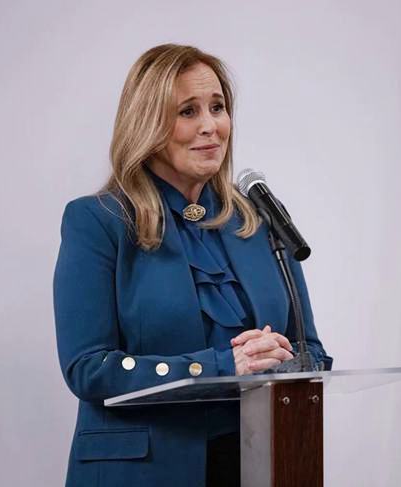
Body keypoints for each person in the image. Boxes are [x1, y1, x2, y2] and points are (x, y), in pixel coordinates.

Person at [53, 43, 332, 487]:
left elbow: (310, 349)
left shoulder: (258, 220)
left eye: (217, 108)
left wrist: (278, 358)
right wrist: (221, 364)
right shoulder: (98, 221)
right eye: (188, 111)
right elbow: (87, 368)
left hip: (257, 465)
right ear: (147, 125)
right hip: (142, 473)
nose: (210, 126)